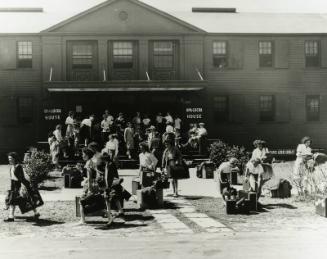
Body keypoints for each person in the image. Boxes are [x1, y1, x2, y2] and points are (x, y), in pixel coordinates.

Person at [4, 152, 40, 222]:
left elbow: (22, 178)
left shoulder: (18, 167)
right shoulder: (11, 167)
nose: (9, 160)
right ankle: (11, 216)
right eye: (9, 158)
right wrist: (11, 189)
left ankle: (36, 213)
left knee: (26, 200)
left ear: (15, 159)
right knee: (13, 200)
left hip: (21, 185)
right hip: (15, 186)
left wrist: (23, 188)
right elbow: (12, 179)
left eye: (11, 158)